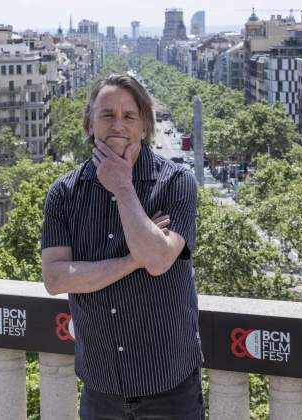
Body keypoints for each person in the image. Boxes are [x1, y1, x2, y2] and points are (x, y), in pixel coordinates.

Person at [41, 74, 204, 419]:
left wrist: (122, 187)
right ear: (89, 124)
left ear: (145, 126)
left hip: (169, 386)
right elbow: (55, 279)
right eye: (107, 115)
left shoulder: (176, 183)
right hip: (101, 389)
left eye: (129, 116)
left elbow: (159, 260)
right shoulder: (64, 193)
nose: (118, 125)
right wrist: (133, 260)